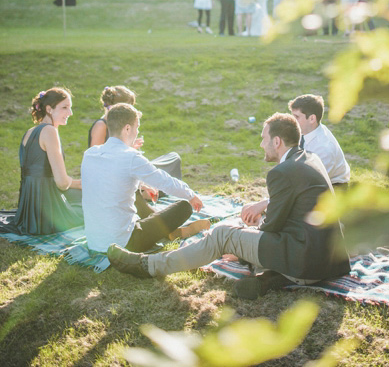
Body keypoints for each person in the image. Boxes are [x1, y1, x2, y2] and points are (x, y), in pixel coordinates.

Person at [107, 112, 351, 300]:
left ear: (277, 141)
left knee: (224, 233)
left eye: (263, 139)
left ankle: (148, 266)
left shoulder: (282, 172)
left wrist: (248, 235)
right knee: (240, 229)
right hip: (328, 260)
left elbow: (271, 228)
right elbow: (295, 213)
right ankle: (270, 278)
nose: (260, 145)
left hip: (303, 260)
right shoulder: (309, 158)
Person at [82, 103, 207, 254]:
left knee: (132, 194)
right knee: (183, 207)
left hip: (94, 241)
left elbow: (112, 177)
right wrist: (190, 195)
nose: (137, 132)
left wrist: (142, 184)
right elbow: (165, 181)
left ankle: (167, 231)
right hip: (124, 244)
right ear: (127, 128)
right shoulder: (130, 157)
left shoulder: (89, 154)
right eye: (137, 127)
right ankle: (168, 232)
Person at [239, 94, 350, 225]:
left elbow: (301, 186)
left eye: (297, 117)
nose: (292, 121)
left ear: (312, 118)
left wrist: (264, 205)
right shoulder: (307, 132)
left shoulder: (323, 148)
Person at [14, 88, 84, 235]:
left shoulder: (30, 131)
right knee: (92, 205)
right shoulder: (50, 131)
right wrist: (82, 183)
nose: (70, 113)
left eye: (70, 107)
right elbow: (62, 183)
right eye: (65, 107)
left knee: (82, 196)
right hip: (46, 208)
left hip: (29, 207)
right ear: (49, 109)